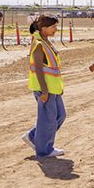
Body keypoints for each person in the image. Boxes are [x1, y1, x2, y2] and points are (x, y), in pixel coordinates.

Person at [22, 15, 67, 158]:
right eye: (53, 27)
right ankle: (44, 150)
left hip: (53, 88)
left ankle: (34, 136)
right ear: (43, 28)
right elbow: (39, 69)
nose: (56, 29)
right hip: (44, 88)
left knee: (60, 115)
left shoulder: (45, 41)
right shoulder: (38, 44)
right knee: (48, 119)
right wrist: (44, 90)